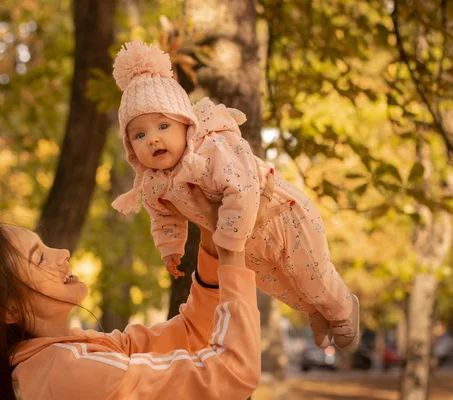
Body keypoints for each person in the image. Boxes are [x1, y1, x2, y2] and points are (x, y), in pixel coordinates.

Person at [0, 171, 289, 400]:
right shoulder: (68, 373)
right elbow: (232, 375)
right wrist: (232, 248)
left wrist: (211, 234)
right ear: (9, 310)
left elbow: (191, 335)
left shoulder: (66, 354)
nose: (63, 253)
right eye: (40, 258)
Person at [110, 41, 359, 351]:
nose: (153, 139)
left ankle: (343, 308)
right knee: (278, 285)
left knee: (312, 274)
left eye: (163, 125)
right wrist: (170, 247)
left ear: (187, 124)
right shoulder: (154, 184)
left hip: (283, 217)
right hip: (244, 242)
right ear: (130, 146)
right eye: (139, 135)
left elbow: (241, 189)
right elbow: (163, 217)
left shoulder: (212, 149)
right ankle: (315, 312)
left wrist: (227, 242)